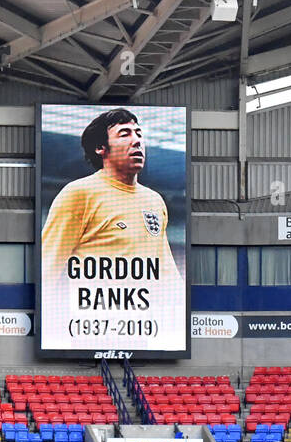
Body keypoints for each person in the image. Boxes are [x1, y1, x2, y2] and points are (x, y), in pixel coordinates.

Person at [39, 109, 184, 340]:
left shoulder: (154, 200)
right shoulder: (78, 193)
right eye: (124, 134)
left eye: (139, 133)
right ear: (101, 148)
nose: (137, 140)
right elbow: (47, 267)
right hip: (89, 328)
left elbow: (166, 271)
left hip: (140, 329)